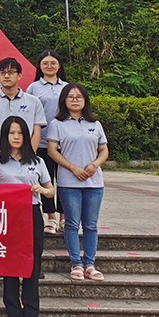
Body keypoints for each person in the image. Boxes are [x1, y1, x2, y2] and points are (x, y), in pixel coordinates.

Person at [0, 116, 54, 317]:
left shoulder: (37, 161)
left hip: (32, 213)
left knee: (33, 265)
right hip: (8, 216)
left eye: (20, 133)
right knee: (11, 265)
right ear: (4, 136)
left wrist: (42, 191)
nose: (16, 137)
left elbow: (51, 190)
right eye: (11, 133)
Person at [47, 83, 109, 282]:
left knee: (91, 225)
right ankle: (76, 263)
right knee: (72, 224)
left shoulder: (95, 124)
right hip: (69, 182)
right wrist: (72, 167)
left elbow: (104, 150)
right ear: (64, 100)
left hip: (94, 182)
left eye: (79, 96)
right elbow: (52, 150)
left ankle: (90, 263)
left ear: (85, 100)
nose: (75, 100)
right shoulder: (57, 123)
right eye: (70, 97)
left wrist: (95, 165)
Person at [27, 50, 69, 235]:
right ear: (40, 66)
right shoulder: (33, 88)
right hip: (42, 142)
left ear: (59, 65)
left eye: (53, 63)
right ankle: (50, 217)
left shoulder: (67, 87)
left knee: (65, 181)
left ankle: (64, 217)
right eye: (45, 63)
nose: (49, 66)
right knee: (45, 180)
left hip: (64, 143)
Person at [0, 57, 46, 156]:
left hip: (26, 157)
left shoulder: (34, 102)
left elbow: (37, 133)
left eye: (11, 72)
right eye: (2, 73)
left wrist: (29, 155)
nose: (6, 76)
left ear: (19, 75)